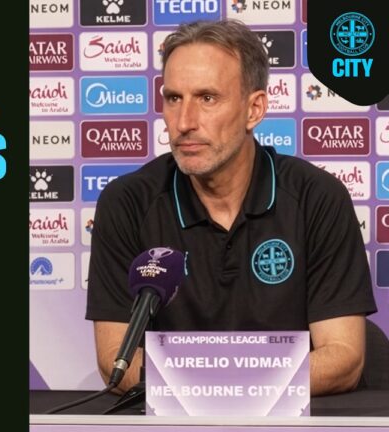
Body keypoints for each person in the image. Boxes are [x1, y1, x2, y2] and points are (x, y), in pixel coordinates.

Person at [86, 19, 377, 397]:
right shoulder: (127, 202)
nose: (184, 122)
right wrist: (223, 389)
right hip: (177, 420)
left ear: (254, 109)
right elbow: (116, 361)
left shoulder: (316, 197)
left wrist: (222, 388)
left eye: (207, 98)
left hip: (294, 420)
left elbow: (343, 359)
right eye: (173, 98)